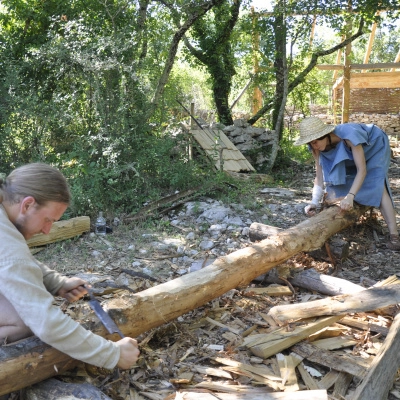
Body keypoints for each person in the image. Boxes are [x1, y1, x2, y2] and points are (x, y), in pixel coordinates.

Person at [0, 163, 140, 369]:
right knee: (22, 319)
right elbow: (45, 322)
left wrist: (57, 283)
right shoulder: (7, 242)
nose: (47, 231)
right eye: (48, 220)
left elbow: (14, 262)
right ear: (27, 205)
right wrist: (113, 354)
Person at [294, 116, 400, 251]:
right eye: (310, 143)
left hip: (374, 144)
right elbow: (319, 176)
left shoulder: (349, 135)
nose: (314, 146)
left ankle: (394, 236)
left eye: (316, 141)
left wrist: (350, 196)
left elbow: (362, 170)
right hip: (353, 150)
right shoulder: (316, 147)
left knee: (377, 183)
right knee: (337, 185)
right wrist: (314, 202)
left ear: (325, 135)